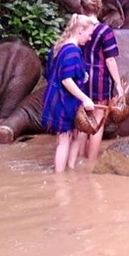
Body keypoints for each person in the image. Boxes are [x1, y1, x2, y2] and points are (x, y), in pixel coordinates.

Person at [41, 14, 100, 173]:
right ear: (80, 30)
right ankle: (60, 180)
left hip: (65, 101)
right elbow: (66, 80)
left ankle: (71, 171)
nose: (89, 39)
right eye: (89, 35)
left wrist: (83, 76)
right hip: (63, 102)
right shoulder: (71, 51)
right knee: (64, 140)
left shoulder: (61, 47)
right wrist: (85, 98)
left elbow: (53, 73)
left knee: (78, 135)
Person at [78, 0, 124, 162]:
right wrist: (118, 85)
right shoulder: (105, 31)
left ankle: (78, 159)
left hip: (79, 78)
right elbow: (110, 59)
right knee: (97, 121)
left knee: (82, 119)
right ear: (99, 10)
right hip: (100, 79)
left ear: (82, 8)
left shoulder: (78, 27)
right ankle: (90, 162)